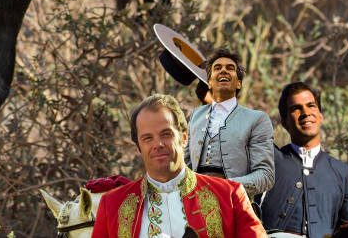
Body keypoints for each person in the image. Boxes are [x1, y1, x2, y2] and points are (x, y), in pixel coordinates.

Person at [92, 94, 267, 238]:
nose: (158, 144)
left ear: (184, 138)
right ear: (138, 147)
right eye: (147, 138)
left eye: (166, 134)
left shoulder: (230, 195)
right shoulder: (112, 204)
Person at [260, 82, 348, 238]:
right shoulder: (268, 161)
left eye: (311, 106)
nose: (306, 113)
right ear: (285, 122)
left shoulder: (343, 173)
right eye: (296, 108)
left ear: (320, 116)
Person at [188, 48, 274, 199]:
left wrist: (226, 186)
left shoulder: (257, 119)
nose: (223, 71)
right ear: (209, 82)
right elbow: (184, 167)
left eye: (230, 68)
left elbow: (265, 176)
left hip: (236, 207)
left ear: (239, 83)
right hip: (196, 207)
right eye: (217, 68)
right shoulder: (195, 115)